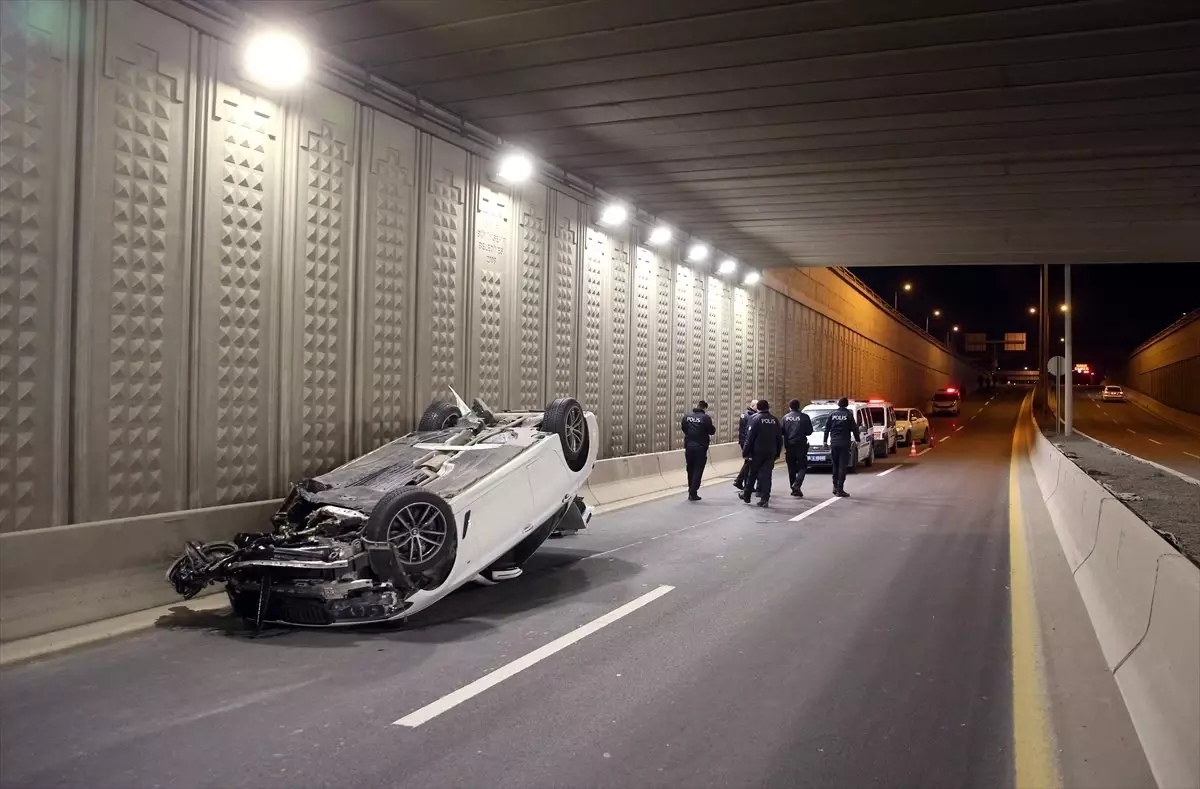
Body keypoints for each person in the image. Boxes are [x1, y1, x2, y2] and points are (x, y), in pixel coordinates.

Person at [741, 400, 783, 508]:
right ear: (768, 407)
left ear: (758, 408)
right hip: (770, 453)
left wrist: (745, 451)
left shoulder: (755, 419)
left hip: (757, 452)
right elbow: (779, 438)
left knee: (752, 474)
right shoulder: (774, 420)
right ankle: (765, 499)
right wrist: (778, 453)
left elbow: (750, 438)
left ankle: (747, 495)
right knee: (767, 476)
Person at [822, 397, 860, 498]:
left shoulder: (832, 414)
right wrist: (858, 439)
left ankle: (834, 486)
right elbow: (855, 429)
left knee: (835, 465)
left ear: (838, 404)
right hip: (844, 443)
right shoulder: (848, 415)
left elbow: (827, 428)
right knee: (842, 466)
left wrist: (825, 441)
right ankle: (840, 489)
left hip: (834, 443)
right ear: (847, 405)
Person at [680, 400, 716, 501]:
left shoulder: (687, 416)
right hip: (700, 447)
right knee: (698, 469)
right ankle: (693, 491)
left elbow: (683, 428)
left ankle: (690, 489)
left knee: (690, 469)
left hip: (689, 446)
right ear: (705, 408)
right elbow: (711, 431)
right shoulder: (705, 418)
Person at [781, 399, 813, 497]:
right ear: (799, 407)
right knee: (802, 467)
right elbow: (809, 431)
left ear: (789, 407)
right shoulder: (804, 417)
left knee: (791, 468)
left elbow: (781, 431)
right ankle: (797, 484)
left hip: (789, 446)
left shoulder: (785, 418)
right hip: (801, 445)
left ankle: (794, 489)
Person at [733, 401, 759, 492]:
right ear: (752, 406)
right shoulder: (751, 416)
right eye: (757, 405)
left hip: (744, 441)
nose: (758, 407)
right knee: (749, 462)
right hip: (747, 442)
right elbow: (749, 431)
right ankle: (744, 483)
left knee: (748, 462)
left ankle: (740, 481)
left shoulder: (745, 414)